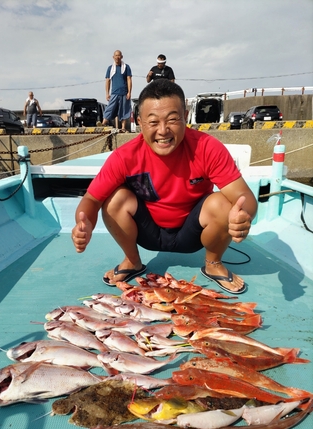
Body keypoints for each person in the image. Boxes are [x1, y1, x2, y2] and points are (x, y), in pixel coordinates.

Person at [72, 79, 257, 294]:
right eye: (153, 122)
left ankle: (214, 263)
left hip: (193, 234)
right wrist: (83, 225)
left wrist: (244, 216)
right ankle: (132, 261)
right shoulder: (125, 156)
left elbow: (244, 195)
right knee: (115, 199)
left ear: (185, 117)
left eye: (172, 119)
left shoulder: (207, 148)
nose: (163, 131)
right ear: (138, 121)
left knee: (223, 203)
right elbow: (92, 199)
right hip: (148, 233)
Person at [101, 50, 132, 132]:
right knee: (110, 108)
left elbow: (129, 79)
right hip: (114, 92)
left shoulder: (126, 67)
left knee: (124, 110)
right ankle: (103, 124)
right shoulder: (110, 68)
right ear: (113, 57)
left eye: (119, 55)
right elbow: (108, 80)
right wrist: (107, 93)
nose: (117, 57)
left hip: (124, 92)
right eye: (116, 55)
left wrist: (129, 92)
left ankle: (123, 127)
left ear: (121, 57)